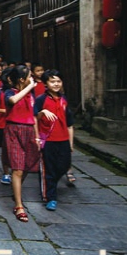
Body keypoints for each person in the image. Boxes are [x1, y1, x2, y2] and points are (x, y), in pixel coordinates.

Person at [4, 65, 40, 223]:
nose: (32, 79)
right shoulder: (9, 92)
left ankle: (15, 188)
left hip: (29, 132)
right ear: (21, 80)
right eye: (29, 77)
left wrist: (37, 136)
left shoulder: (30, 95)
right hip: (14, 131)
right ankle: (19, 205)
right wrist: (30, 86)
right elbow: (12, 100)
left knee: (28, 165)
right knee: (17, 168)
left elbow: (34, 116)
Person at [35, 70, 74, 211]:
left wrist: (71, 142)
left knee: (64, 166)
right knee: (49, 169)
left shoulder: (64, 99)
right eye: (52, 81)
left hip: (63, 139)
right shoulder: (41, 99)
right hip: (48, 140)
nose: (56, 84)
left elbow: (69, 123)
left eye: (58, 81)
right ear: (46, 84)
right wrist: (42, 113)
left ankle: (50, 183)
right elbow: (34, 118)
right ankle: (50, 197)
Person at [0, 67, 14, 185]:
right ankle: (6, 172)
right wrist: (4, 111)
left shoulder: (22, 93)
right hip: (2, 125)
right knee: (5, 150)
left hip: (17, 126)